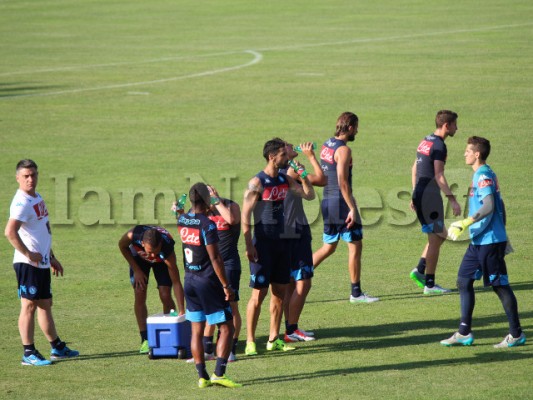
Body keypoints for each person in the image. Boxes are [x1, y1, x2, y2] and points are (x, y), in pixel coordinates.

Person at [441, 136, 526, 347]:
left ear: (477, 154)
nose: (465, 154)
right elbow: (501, 205)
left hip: (489, 241)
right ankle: (464, 332)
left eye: (468, 151)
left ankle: (516, 334)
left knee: (500, 286)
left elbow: (489, 205)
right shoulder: (482, 174)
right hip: (480, 240)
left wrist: (465, 222)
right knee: (463, 280)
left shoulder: (483, 176)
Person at [242, 138, 315, 356]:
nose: (288, 157)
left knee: (280, 293)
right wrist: (248, 245)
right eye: (284, 154)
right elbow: (245, 215)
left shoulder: (284, 178)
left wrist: (303, 176)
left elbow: (309, 195)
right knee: (258, 295)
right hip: (262, 245)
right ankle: (250, 341)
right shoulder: (257, 182)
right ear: (272, 157)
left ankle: (274, 339)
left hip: (283, 245)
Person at [5, 159, 79, 366]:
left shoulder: (36, 197)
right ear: (18, 177)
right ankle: (28, 352)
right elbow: (9, 232)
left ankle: (56, 347)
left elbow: (42, 230)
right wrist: (29, 254)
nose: (31, 179)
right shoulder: (21, 203)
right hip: (28, 264)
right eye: (26, 176)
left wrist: (51, 256)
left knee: (45, 304)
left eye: (34, 175)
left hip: (42, 262)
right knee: (28, 305)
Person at [177, 182, 241, 388]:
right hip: (208, 281)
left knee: (196, 330)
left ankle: (202, 376)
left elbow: (182, 217)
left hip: (189, 280)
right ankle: (219, 373)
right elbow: (216, 259)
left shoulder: (182, 220)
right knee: (227, 327)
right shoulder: (208, 224)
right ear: (207, 200)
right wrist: (226, 286)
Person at [313, 112, 379, 303]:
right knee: (355, 246)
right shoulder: (343, 150)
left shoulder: (327, 144)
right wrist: (352, 207)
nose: (357, 131)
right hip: (341, 203)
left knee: (328, 247)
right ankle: (356, 293)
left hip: (327, 202)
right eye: (356, 127)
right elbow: (342, 181)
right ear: (350, 127)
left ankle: (296, 276)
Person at [409, 110, 461, 294]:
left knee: (441, 235)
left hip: (421, 194)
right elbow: (439, 175)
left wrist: (415, 192)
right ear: (446, 125)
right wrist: (453, 200)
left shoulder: (426, 140)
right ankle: (430, 285)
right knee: (436, 238)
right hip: (430, 197)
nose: (457, 128)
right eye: (455, 124)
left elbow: (414, 168)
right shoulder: (439, 145)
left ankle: (420, 269)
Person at [282, 142, 326, 342]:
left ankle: (290, 328)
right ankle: (291, 328)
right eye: (290, 146)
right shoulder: (291, 170)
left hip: (282, 233)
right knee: (304, 282)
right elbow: (322, 180)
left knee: (290, 283)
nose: (295, 147)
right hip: (297, 233)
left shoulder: (276, 173)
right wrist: (310, 156)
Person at [118, 225, 185, 354]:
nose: (153, 255)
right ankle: (145, 339)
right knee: (140, 291)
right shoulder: (133, 235)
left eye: (156, 251)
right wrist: (136, 270)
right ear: (142, 243)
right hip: (139, 259)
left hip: (162, 262)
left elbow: (176, 282)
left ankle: (170, 329)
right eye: (150, 252)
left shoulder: (166, 247)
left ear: (160, 244)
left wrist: (181, 309)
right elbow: (122, 246)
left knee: (165, 294)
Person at [195, 185, 242, 362]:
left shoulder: (231, 206)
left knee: (230, 307)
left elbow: (231, 219)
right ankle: (207, 349)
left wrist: (216, 201)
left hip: (229, 264)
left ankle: (231, 349)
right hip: (209, 266)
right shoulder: (203, 212)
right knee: (209, 307)